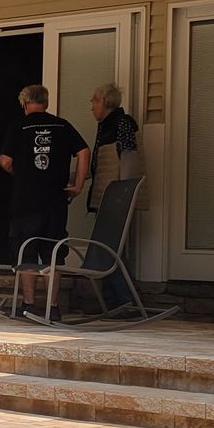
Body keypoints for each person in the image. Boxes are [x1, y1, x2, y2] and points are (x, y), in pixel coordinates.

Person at [0, 83, 90, 319]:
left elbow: (5, 160)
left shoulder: (19, 125)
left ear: (24, 104)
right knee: (53, 252)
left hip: (25, 200)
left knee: (25, 250)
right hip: (55, 200)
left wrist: (20, 172)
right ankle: (52, 307)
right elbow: (84, 152)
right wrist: (78, 185)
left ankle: (28, 305)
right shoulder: (61, 125)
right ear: (46, 103)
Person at [87, 82, 142, 312]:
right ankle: (112, 303)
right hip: (106, 198)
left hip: (116, 199)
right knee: (107, 249)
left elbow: (128, 158)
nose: (92, 107)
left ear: (106, 103)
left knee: (113, 250)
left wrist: (123, 194)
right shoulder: (105, 127)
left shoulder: (122, 124)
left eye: (95, 101)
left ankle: (126, 302)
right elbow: (99, 166)